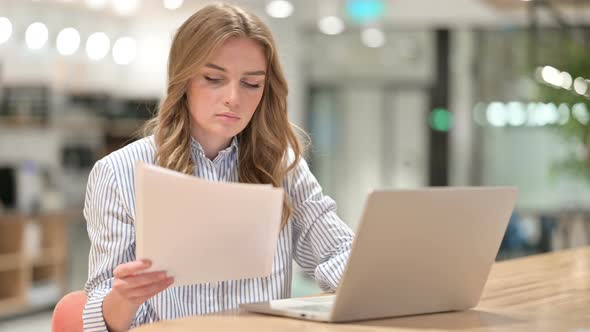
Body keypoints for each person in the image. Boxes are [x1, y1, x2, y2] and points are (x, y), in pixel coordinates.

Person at [82, 3, 354, 331]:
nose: (233, 98)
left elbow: (340, 250)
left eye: (252, 84)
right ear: (183, 80)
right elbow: (98, 308)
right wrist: (123, 298)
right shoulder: (119, 172)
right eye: (214, 79)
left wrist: (377, 271)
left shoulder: (281, 168)